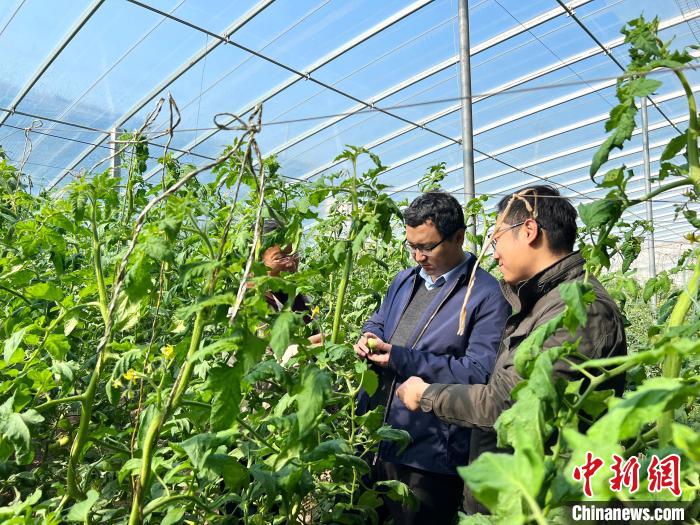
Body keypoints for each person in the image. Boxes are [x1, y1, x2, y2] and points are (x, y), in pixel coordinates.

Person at [395, 185, 627, 513]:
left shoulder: (579, 308)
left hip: (544, 504)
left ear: (529, 231)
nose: (494, 252)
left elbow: (507, 405)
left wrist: (426, 395)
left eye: (497, 237)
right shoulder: (538, 302)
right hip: (518, 499)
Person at [353, 192, 510, 524]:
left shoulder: (485, 294)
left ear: (458, 237)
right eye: (412, 246)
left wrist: (401, 358)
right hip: (374, 435)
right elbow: (380, 320)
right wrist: (368, 335)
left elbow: (477, 372)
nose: (418, 256)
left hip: (428, 452)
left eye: (427, 247)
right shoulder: (404, 279)